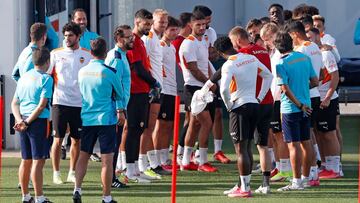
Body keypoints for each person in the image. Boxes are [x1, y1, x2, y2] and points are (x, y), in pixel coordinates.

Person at [215, 36, 272, 198]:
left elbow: (224, 90)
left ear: (220, 53)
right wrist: (259, 97)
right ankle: (243, 185)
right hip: (254, 104)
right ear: (232, 45)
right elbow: (268, 76)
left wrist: (229, 106)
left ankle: (245, 189)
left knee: (241, 149)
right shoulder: (251, 58)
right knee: (247, 148)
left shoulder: (229, 64)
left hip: (240, 107)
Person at [73, 38, 124, 203]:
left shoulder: (82, 71)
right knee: (107, 160)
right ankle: (106, 197)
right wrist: (121, 111)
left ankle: (77, 189)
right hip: (106, 120)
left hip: (87, 118)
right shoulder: (109, 71)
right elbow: (120, 93)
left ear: (91, 52)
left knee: (83, 155)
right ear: (105, 52)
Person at [228, 26, 274, 194]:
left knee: (243, 146)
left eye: (233, 42)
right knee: (263, 146)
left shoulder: (244, 55)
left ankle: (243, 185)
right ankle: (265, 184)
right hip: (267, 100)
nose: (233, 46)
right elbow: (268, 74)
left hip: (250, 101)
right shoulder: (262, 51)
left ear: (238, 40)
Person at [274, 31, 319, 191]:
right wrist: (302, 93)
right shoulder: (305, 58)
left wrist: (298, 103)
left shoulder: (281, 63)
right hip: (307, 106)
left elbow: (285, 89)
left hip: (291, 109)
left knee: (293, 146)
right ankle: (306, 179)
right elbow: (315, 81)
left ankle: (296, 182)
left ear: (276, 46)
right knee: (306, 144)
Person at [49, 22, 92, 185]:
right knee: (58, 139)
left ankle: (72, 172)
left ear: (78, 36)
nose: (67, 38)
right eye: (65, 35)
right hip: (60, 101)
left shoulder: (87, 55)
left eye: (70, 35)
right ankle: (56, 173)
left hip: (80, 103)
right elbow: (47, 76)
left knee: (76, 140)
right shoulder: (55, 53)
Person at [123, 9, 161, 183]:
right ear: (136, 22)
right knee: (132, 130)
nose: (149, 26)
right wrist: (154, 83)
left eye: (150, 23)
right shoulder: (134, 41)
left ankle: (135, 169)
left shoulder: (141, 41)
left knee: (137, 130)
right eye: (146, 23)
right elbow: (138, 69)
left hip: (141, 91)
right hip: (134, 92)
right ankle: (129, 170)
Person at [12, 47, 53, 203]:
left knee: (26, 159)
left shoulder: (23, 78)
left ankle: (25, 196)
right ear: (47, 62)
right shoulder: (46, 79)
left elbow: (14, 103)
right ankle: (40, 198)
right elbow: (42, 105)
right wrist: (27, 122)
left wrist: (20, 120)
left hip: (23, 120)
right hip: (37, 122)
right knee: (37, 161)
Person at [287, 20, 324, 186]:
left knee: (305, 139)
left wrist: (299, 89)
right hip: (313, 94)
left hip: (305, 96)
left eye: (290, 36)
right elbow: (321, 74)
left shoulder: (300, 50)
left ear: (295, 34)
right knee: (309, 137)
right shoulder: (315, 46)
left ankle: (310, 175)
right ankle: (312, 173)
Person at [179, 11, 217, 172]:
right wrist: (209, 83)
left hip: (203, 87)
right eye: (198, 25)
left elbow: (205, 64)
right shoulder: (188, 43)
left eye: (204, 24)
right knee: (206, 123)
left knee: (194, 124)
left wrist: (212, 80)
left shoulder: (202, 41)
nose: (202, 27)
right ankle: (202, 161)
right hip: (193, 88)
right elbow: (193, 69)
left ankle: (186, 161)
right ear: (191, 25)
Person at [62, 8, 101, 162]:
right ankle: (64, 145)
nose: (83, 21)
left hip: (88, 87)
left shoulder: (94, 37)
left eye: (84, 19)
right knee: (68, 121)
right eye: (79, 19)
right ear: (73, 21)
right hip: (70, 90)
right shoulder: (68, 39)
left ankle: (87, 149)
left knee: (84, 120)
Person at [193, 5, 231, 164]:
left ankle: (217, 151)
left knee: (217, 113)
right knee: (195, 119)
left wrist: (212, 53)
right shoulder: (191, 39)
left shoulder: (212, 32)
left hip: (214, 75)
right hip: (199, 80)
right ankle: (190, 152)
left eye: (208, 20)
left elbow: (214, 54)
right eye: (204, 21)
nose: (207, 24)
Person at [307, 28, 341, 179]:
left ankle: (335, 168)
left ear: (318, 36)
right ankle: (326, 166)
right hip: (317, 99)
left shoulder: (326, 53)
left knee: (329, 134)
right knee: (320, 134)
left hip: (328, 99)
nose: (308, 39)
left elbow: (335, 77)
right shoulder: (312, 53)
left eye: (310, 36)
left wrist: (327, 98)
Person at [140, 9, 171, 177]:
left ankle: (152, 163)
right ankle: (144, 164)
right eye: (161, 21)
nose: (163, 24)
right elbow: (143, 65)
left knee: (150, 127)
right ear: (153, 22)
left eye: (165, 21)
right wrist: (151, 85)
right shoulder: (148, 38)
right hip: (151, 88)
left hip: (159, 88)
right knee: (146, 128)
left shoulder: (157, 39)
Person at [260, 23, 292, 182]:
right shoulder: (273, 53)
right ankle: (280, 167)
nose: (265, 43)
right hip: (273, 98)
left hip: (278, 99)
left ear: (274, 35)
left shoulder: (280, 54)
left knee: (280, 136)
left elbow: (281, 80)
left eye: (267, 39)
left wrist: (275, 97)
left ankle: (286, 170)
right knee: (274, 135)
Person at [105, 25, 133, 188]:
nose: (132, 39)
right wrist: (119, 109)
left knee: (114, 144)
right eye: (128, 37)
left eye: (131, 36)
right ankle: (110, 179)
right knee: (113, 145)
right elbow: (113, 86)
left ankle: (112, 177)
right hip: (116, 109)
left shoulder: (122, 55)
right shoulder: (116, 58)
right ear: (119, 39)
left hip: (121, 106)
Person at [152, 16, 181, 170]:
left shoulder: (172, 47)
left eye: (177, 29)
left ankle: (164, 158)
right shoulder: (160, 46)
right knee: (160, 125)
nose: (175, 32)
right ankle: (156, 159)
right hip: (162, 90)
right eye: (171, 29)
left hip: (171, 90)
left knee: (169, 125)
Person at [173, 12, 193, 165]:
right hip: (182, 85)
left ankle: (181, 152)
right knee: (190, 119)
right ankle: (180, 153)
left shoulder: (185, 41)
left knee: (191, 118)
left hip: (182, 84)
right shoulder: (179, 42)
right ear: (188, 25)